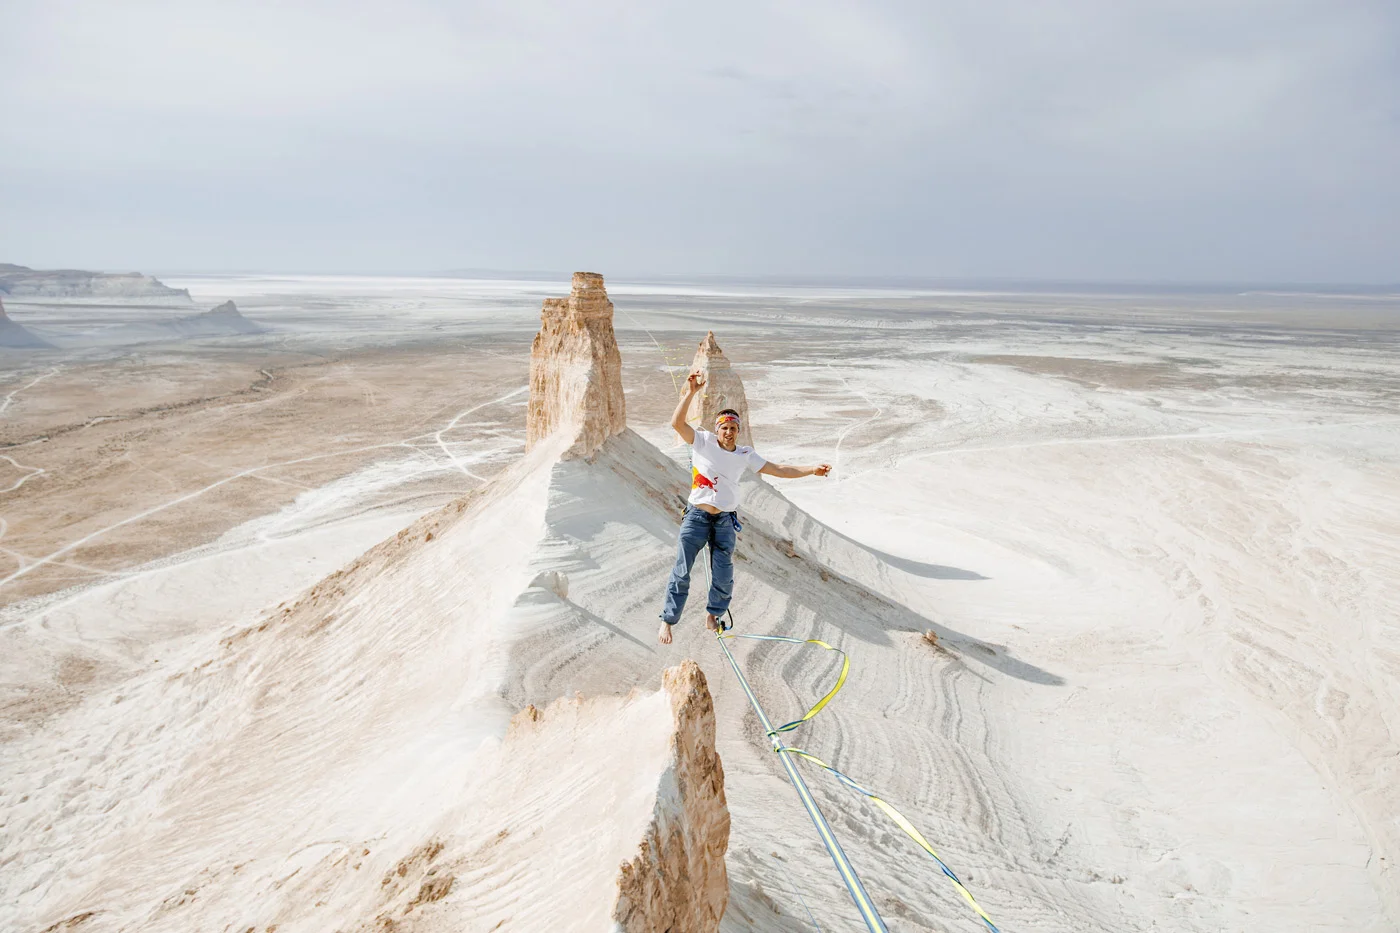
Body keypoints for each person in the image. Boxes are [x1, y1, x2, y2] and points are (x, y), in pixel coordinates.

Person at [658, 371, 832, 644]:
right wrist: (691, 392)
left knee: (724, 573)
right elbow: (676, 423)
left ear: (738, 431)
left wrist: (812, 469)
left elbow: (779, 469)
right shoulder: (702, 441)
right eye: (724, 428)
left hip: (724, 520)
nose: (728, 432)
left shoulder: (744, 454)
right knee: (682, 570)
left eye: (733, 428)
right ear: (717, 429)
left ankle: (713, 614)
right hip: (697, 517)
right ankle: (668, 621)